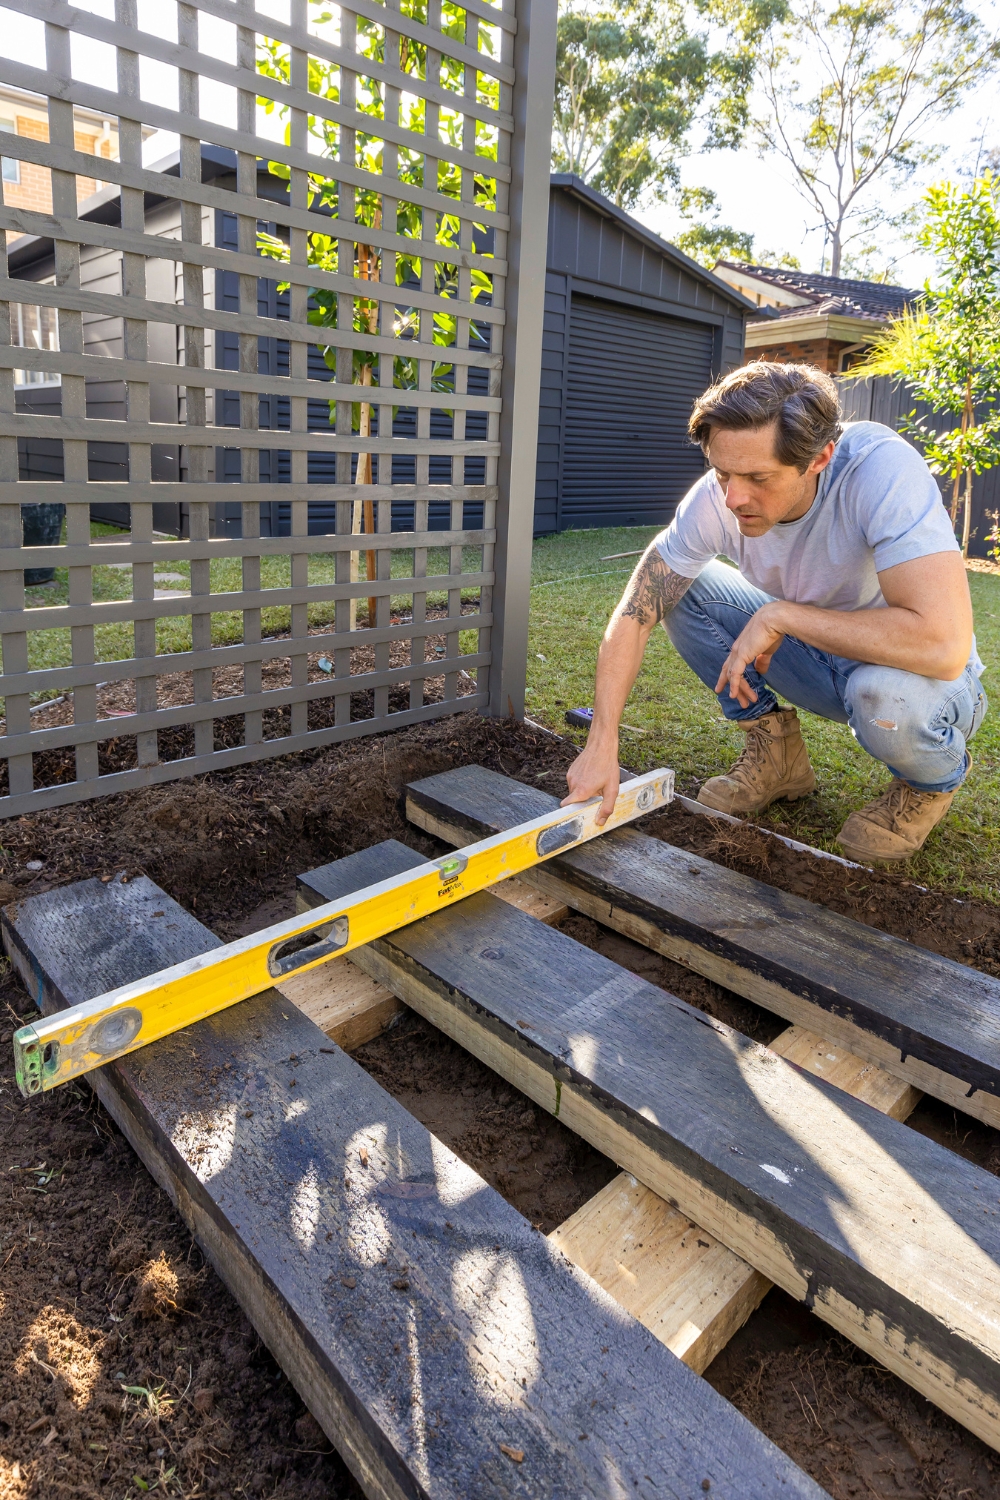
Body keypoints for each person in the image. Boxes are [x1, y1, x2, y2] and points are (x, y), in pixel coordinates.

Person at [563, 361, 986, 863]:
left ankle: (928, 785)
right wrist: (601, 740)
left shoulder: (880, 470)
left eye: (758, 477)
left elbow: (942, 646)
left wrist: (781, 616)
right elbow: (637, 608)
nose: (734, 497)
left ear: (819, 458)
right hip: (814, 660)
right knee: (679, 589)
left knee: (885, 697)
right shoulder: (717, 499)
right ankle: (776, 753)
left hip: (918, 681)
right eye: (722, 473)